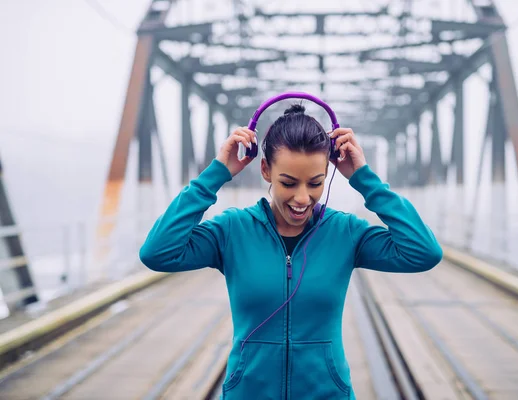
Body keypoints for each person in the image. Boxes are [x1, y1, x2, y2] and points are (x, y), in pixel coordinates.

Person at [139, 103, 443, 399]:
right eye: (288, 182)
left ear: (329, 173)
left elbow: (423, 251)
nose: (302, 198)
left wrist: (364, 179)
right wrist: (216, 174)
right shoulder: (233, 230)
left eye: (315, 182)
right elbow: (158, 251)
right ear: (265, 170)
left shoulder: (345, 232)